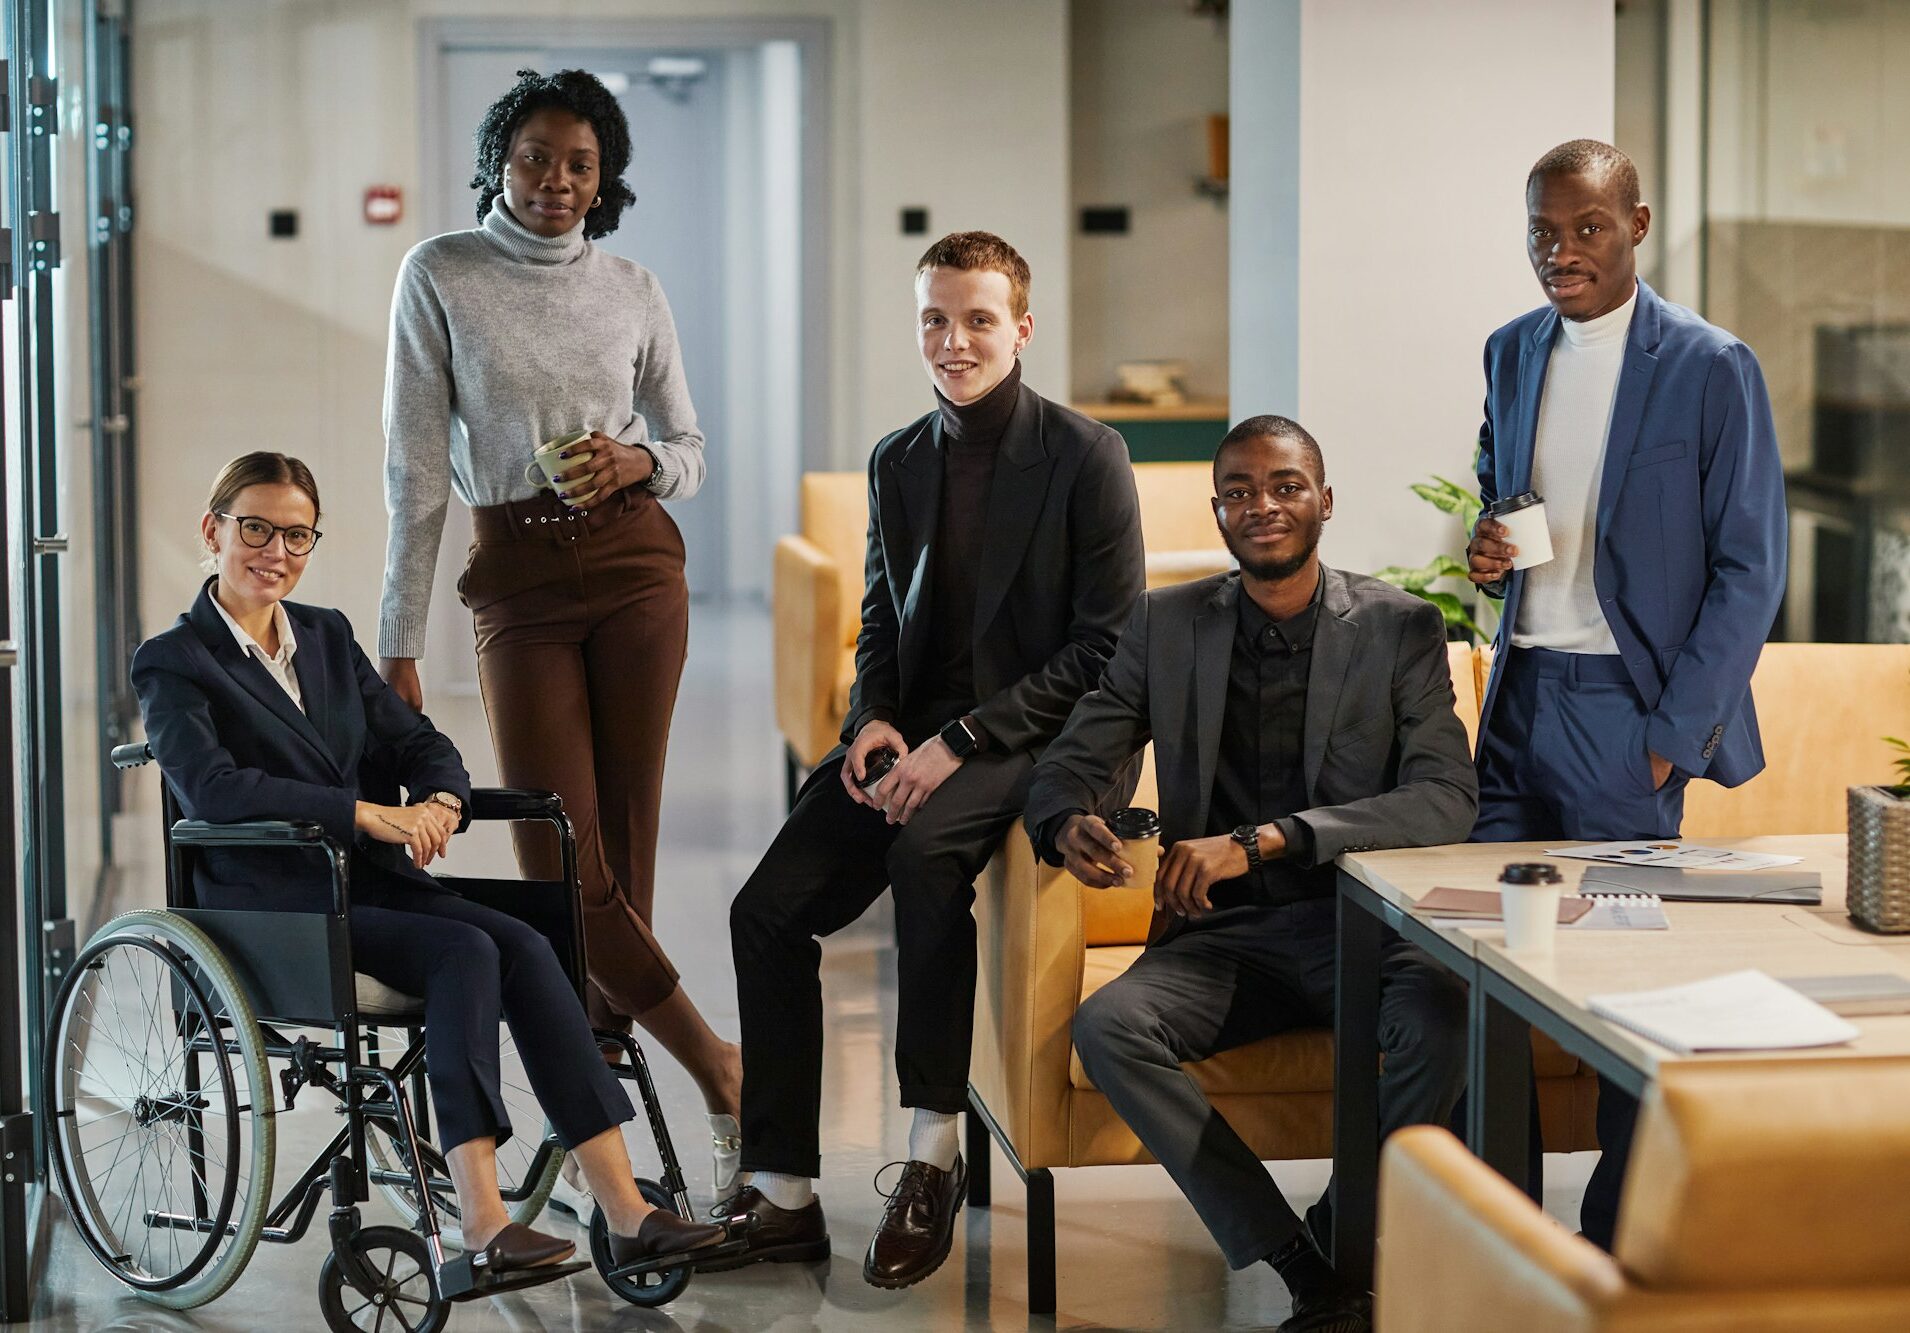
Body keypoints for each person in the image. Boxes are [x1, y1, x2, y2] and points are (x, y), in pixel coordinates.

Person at [131, 453, 724, 1287]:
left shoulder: (328, 636)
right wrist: (367, 814)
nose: (275, 550)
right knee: (466, 952)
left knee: (525, 941)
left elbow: (418, 742)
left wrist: (441, 798)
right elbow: (215, 789)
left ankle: (624, 1210)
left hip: (369, 889)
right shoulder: (173, 660)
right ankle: (483, 1221)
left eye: (296, 534)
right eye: (255, 527)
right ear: (214, 530)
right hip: (276, 906)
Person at [717, 232, 1146, 1289]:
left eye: (976, 320)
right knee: (763, 909)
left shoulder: (1086, 454)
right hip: (917, 736)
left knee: (923, 859)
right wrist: (871, 718)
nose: (952, 341)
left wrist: (957, 741)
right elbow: (877, 620)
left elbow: (1106, 647)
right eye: (933, 319)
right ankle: (780, 1190)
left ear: (1021, 330)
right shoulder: (897, 459)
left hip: (1047, 735)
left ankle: (930, 1154)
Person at [375, 68, 741, 1212]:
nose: (556, 182)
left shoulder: (632, 285)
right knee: (562, 854)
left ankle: (605, 1168)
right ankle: (719, 1064)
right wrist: (401, 636)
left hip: (638, 567)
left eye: (580, 164)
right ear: (499, 160)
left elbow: (687, 442)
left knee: (619, 858)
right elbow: (416, 471)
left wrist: (641, 463)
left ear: (605, 179)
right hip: (517, 581)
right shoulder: (439, 271)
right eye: (536, 156)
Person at [1026, 418, 1477, 1333]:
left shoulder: (1399, 627)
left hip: (1359, 927)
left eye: (1283, 485)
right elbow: (1078, 751)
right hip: (1220, 941)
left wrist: (1269, 839)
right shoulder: (1166, 622)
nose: (1260, 506)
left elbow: (1445, 798)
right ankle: (1297, 1258)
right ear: (1219, 508)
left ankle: (1342, 1233)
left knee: (1444, 1012)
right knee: (1110, 1026)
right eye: (1238, 490)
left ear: (1324, 500)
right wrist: (1067, 817)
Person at [1466, 139, 1786, 1248]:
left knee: (1620, 981)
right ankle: (1494, 1231)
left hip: (1625, 716)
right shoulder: (1510, 349)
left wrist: (1667, 739)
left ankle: (1610, 1245)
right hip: (1517, 699)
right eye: (1541, 231)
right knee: (1483, 967)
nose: (1560, 252)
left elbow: (1750, 567)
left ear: (1635, 227)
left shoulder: (1709, 365)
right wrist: (1490, 543)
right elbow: (1498, 475)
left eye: (1585, 228)